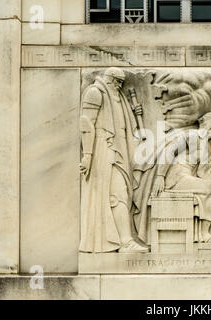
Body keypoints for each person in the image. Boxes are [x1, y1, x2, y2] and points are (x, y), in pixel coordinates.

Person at [79, 67, 149, 253]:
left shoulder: (118, 98)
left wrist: (135, 115)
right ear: (109, 79)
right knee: (117, 194)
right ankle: (125, 241)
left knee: (122, 193)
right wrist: (87, 155)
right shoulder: (95, 93)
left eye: (121, 83)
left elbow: (124, 125)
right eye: (117, 82)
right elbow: (86, 124)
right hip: (103, 150)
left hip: (120, 150)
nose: (119, 86)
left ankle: (124, 239)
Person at [151, 112, 211, 243]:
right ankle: (205, 234)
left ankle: (204, 233)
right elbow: (169, 152)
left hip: (187, 177)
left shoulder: (207, 146)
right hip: (177, 177)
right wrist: (160, 176)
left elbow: (202, 173)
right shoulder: (192, 135)